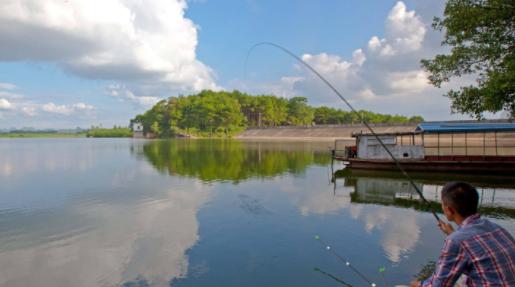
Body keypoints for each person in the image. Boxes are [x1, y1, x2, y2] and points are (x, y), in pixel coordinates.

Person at [411, 182, 515, 287]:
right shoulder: (497, 228)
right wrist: (453, 233)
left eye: (442, 204)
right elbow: (472, 245)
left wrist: (417, 284)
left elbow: (438, 285)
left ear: (449, 210)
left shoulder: (456, 241)